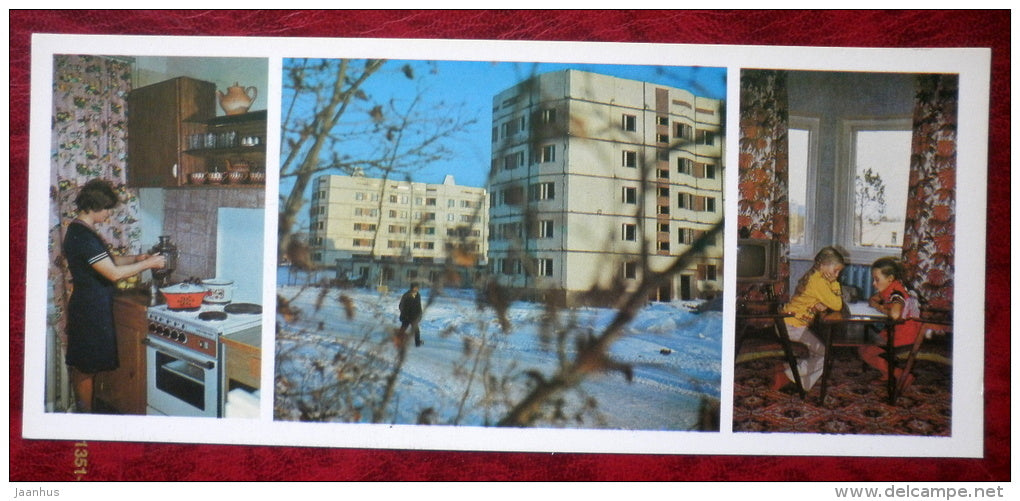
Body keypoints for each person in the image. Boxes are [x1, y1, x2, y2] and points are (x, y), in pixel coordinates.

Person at [62, 179, 166, 412]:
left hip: (91, 305)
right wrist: (149, 263)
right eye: (107, 209)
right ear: (94, 206)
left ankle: (85, 414)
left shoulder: (82, 230)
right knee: (86, 368)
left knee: (86, 367)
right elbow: (113, 273)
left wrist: (136, 259)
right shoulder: (83, 236)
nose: (109, 214)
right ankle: (85, 418)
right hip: (89, 310)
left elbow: (108, 262)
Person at [775, 246, 847, 392]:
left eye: (839, 272)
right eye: (835, 271)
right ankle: (790, 375)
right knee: (825, 355)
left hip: (789, 323)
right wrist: (835, 284)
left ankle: (794, 375)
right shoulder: (818, 282)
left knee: (818, 353)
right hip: (791, 327)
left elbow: (821, 302)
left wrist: (821, 304)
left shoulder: (816, 277)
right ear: (823, 265)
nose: (837, 275)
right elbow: (837, 305)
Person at [858, 257, 922, 388]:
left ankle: (901, 375)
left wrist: (879, 307)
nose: (874, 284)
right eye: (873, 279)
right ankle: (888, 374)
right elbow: (876, 298)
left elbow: (895, 314)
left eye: (877, 280)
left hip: (905, 334)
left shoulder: (897, 293)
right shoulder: (891, 287)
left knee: (867, 352)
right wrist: (875, 301)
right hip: (896, 330)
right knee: (863, 347)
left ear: (890, 278)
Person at [398, 283, 423, 347]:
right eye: (415, 288)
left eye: (417, 288)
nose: (416, 289)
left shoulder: (418, 295)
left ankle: (417, 342)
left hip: (414, 317)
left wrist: (420, 314)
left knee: (416, 330)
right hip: (406, 316)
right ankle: (399, 340)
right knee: (403, 329)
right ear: (412, 288)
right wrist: (404, 314)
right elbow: (400, 306)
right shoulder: (406, 295)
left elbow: (419, 306)